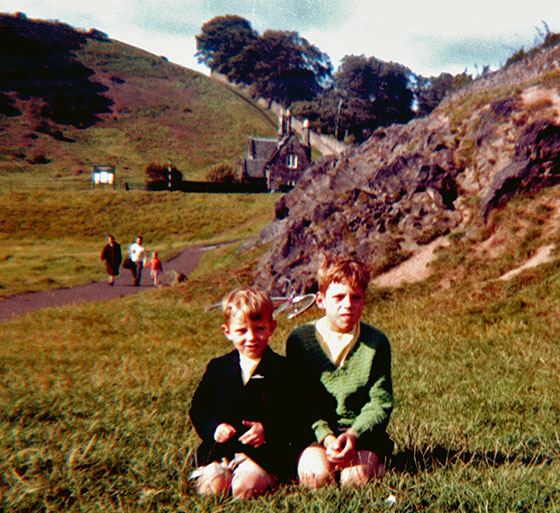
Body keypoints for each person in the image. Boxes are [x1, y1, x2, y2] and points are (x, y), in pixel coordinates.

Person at [286, 256, 394, 489]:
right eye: (338, 297)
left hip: (360, 434)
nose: (348, 304)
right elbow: (298, 400)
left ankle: (377, 462)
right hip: (315, 434)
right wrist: (326, 436)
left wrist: (354, 435)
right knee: (317, 479)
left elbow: (381, 402)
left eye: (356, 297)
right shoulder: (300, 340)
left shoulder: (376, 342)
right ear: (321, 300)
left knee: (354, 481)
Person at [189, 286, 298, 499]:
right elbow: (199, 409)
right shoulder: (218, 368)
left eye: (259, 329)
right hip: (221, 451)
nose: (251, 338)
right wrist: (214, 428)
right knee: (212, 488)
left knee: (243, 489)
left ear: (272, 327)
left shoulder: (282, 370)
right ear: (227, 332)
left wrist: (268, 430)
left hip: (264, 455)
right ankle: (218, 472)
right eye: (241, 331)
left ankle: (260, 477)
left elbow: (294, 415)